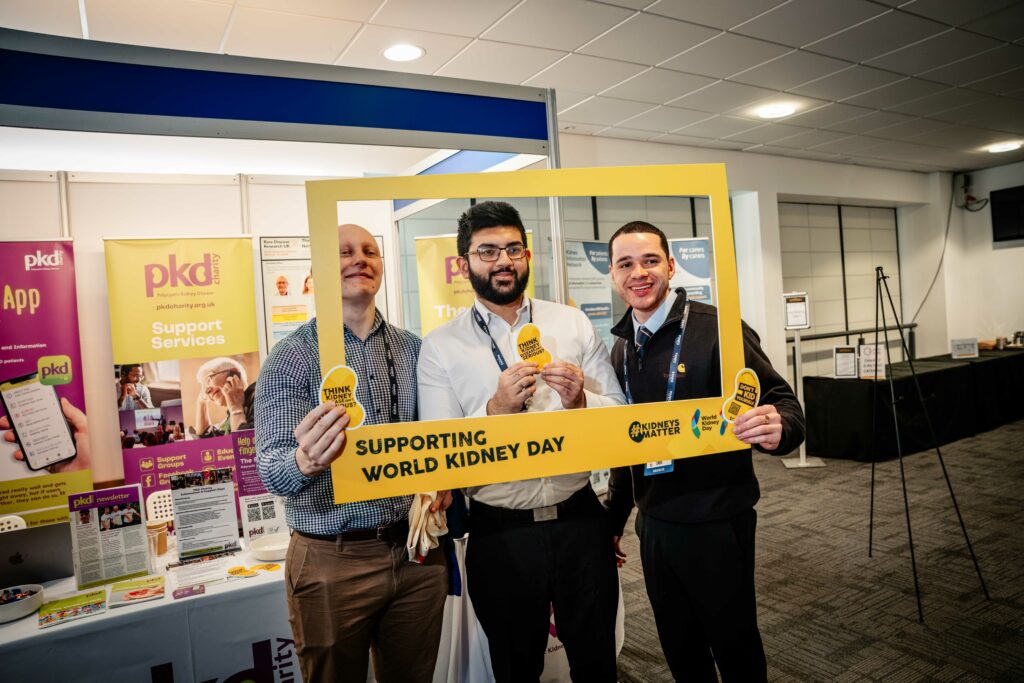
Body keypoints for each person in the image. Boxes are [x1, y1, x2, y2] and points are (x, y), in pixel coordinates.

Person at [417, 201, 624, 682]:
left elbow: (619, 415)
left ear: (527, 256)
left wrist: (581, 401)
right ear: (464, 263)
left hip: (579, 519)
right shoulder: (441, 345)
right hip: (500, 533)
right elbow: (439, 450)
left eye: (513, 249)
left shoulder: (570, 323)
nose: (503, 261)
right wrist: (494, 411)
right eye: (487, 251)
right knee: (515, 668)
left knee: (597, 663)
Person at [603, 221, 805, 682]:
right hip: (655, 524)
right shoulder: (620, 348)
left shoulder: (718, 329)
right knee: (680, 648)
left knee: (735, 648)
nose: (639, 273)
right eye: (626, 264)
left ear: (671, 266)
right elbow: (625, 442)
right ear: (613, 275)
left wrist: (780, 427)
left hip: (717, 520)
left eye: (650, 261)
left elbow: (784, 403)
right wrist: (614, 522)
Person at [256, 223, 450, 683]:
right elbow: (271, 470)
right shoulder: (291, 357)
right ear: (316, 273)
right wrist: (304, 461)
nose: (359, 259)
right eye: (344, 252)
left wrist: (443, 477)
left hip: (415, 553)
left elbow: (436, 440)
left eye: (369, 251)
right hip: (332, 561)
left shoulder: (414, 349)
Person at [193, 357, 248, 437]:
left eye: (208, 380)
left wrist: (235, 408)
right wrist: (201, 402)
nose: (207, 391)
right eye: (204, 386)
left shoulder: (258, 401)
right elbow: (206, 439)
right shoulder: (228, 419)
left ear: (234, 374)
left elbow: (244, 442)